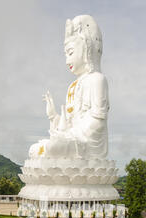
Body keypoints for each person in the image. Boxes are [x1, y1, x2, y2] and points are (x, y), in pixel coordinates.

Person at [29, 15, 109, 161]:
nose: (67, 61)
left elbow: (98, 123)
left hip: (86, 145)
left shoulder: (97, 79)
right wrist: (53, 116)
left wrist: (72, 137)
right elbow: (68, 124)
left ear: (87, 49)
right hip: (70, 139)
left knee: (54, 148)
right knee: (35, 149)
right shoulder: (73, 86)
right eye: (65, 54)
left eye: (70, 53)